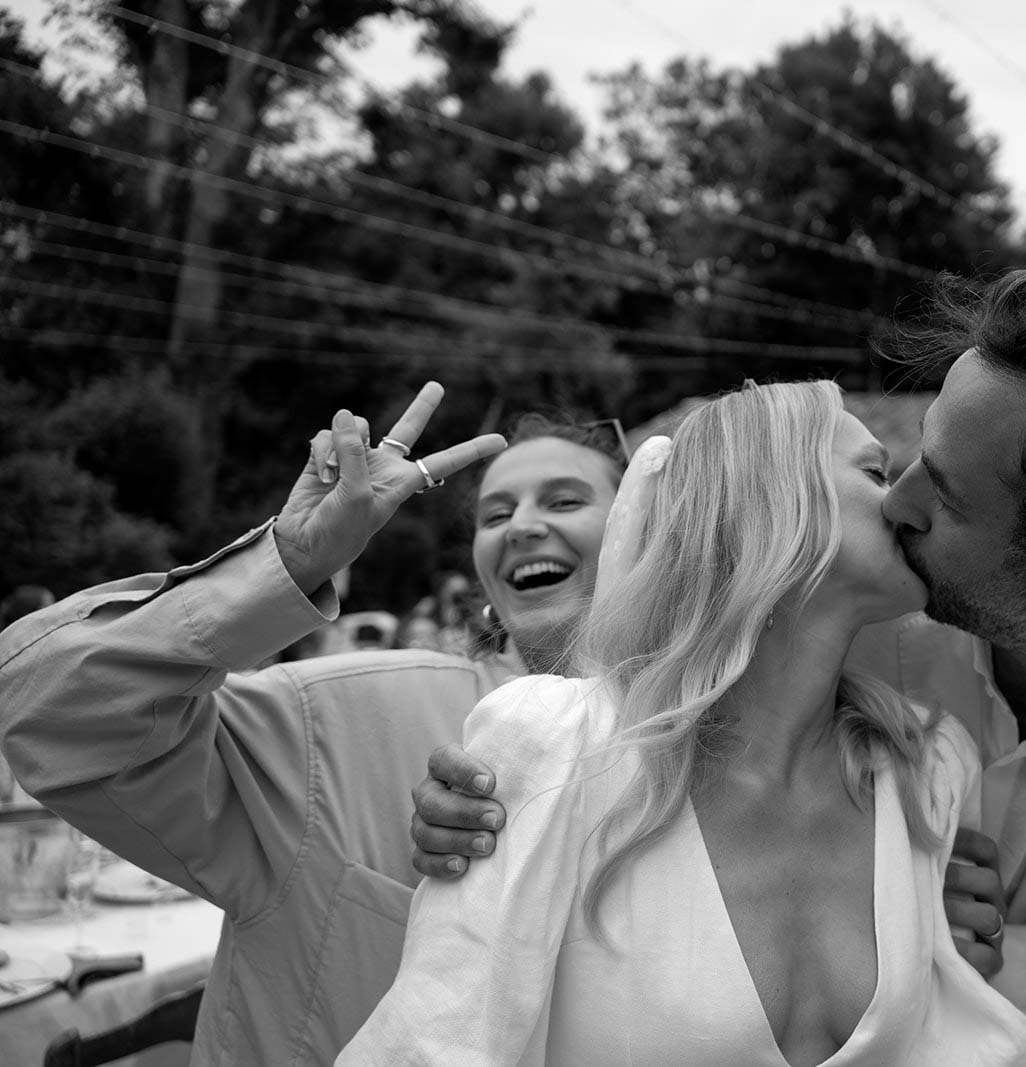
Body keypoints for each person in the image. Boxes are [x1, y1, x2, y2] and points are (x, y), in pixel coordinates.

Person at [413, 263, 1026, 1067]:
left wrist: (953, 949)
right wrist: (509, 796)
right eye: (900, 457)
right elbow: (664, 629)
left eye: (942, 493)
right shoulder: (853, 593)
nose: (898, 502)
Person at [340, 380, 1026, 1065]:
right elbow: (439, 1040)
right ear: (770, 495)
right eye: (873, 469)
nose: (903, 498)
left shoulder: (927, 767)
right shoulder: (559, 744)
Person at [0, 383, 626, 1065]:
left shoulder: (719, 756)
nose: (522, 525)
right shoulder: (339, 720)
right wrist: (287, 564)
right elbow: (48, 708)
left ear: (643, 532)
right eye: (494, 513)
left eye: (564, 500)